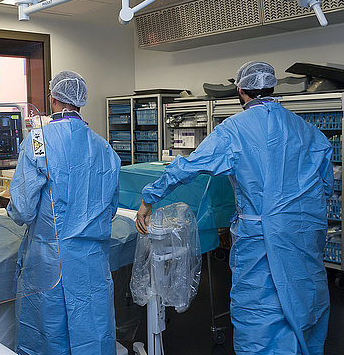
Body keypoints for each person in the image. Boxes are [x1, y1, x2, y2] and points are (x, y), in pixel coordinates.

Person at [135, 61, 332, 355]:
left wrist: (149, 199)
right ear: (272, 87)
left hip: (261, 240)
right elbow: (326, 186)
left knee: (260, 311)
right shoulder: (306, 130)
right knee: (304, 302)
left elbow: (188, 167)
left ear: (240, 90)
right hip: (303, 235)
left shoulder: (234, 130)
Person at [7, 71, 121, 355]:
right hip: (91, 262)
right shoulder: (103, 147)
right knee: (91, 332)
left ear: (53, 98)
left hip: (50, 263)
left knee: (47, 335)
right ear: (80, 102)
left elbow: (22, 208)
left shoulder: (38, 141)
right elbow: (110, 207)